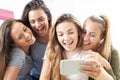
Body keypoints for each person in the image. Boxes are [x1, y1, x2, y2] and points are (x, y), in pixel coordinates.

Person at [39, 13, 113, 80]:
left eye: (70, 32)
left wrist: (104, 68)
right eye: (61, 34)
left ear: (78, 32)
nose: (66, 38)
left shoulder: (87, 54)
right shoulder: (52, 50)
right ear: (56, 36)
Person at [81, 14, 120, 80]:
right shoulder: (75, 48)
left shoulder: (112, 52)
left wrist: (106, 65)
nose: (85, 38)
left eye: (92, 35)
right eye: (84, 32)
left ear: (101, 38)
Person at [21, 0, 52, 79]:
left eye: (41, 19)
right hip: (35, 77)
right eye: (32, 22)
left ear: (48, 16)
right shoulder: (29, 38)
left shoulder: (58, 33)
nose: (37, 25)